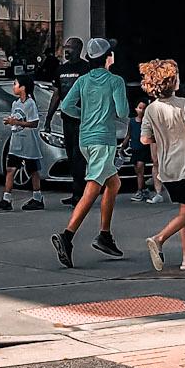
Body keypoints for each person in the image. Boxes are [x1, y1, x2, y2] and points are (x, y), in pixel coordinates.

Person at [51, 37, 129, 266]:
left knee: (114, 184)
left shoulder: (83, 80)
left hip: (85, 139)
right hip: (103, 140)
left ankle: (105, 235)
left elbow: (66, 106)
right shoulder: (115, 81)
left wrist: (84, 116)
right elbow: (123, 112)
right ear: (107, 58)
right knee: (93, 187)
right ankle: (67, 235)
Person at [139, 58, 185, 271]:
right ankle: (159, 239)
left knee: (183, 210)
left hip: (165, 168)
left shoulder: (151, 109)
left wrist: (162, 137)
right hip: (184, 166)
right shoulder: (184, 104)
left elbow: (145, 139)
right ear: (172, 82)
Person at [0, 74, 47, 212]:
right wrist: (11, 122)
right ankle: (6, 199)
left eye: (15, 84)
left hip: (28, 143)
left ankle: (37, 197)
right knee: (10, 169)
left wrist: (16, 122)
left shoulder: (30, 104)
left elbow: (34, 123)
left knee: (33, 170)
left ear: (23, 87)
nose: (13, 87)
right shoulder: (15, 104)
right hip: (16, 141)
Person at [54, 38, 87, 158]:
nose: (66, 50)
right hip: (67, 118)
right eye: (65, 47)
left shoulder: (86, 68)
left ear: (78, 49)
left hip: (82, 118)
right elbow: (57, 94)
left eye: (70, 48)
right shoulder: (61, 69)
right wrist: (48, 118)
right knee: (70, 152)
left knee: (79, 152)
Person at [128, 99, 155, 202]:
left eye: (144, 108)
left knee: (140, 168)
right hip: (135, 148)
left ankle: (140, 191)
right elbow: (129, 134)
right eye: (140, 108)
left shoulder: (147, 122)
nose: (141, 111)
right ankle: (143, 189)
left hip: (144, 148)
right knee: (138, 171)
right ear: (136, 109)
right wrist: (123, 146)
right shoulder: (132, 121)